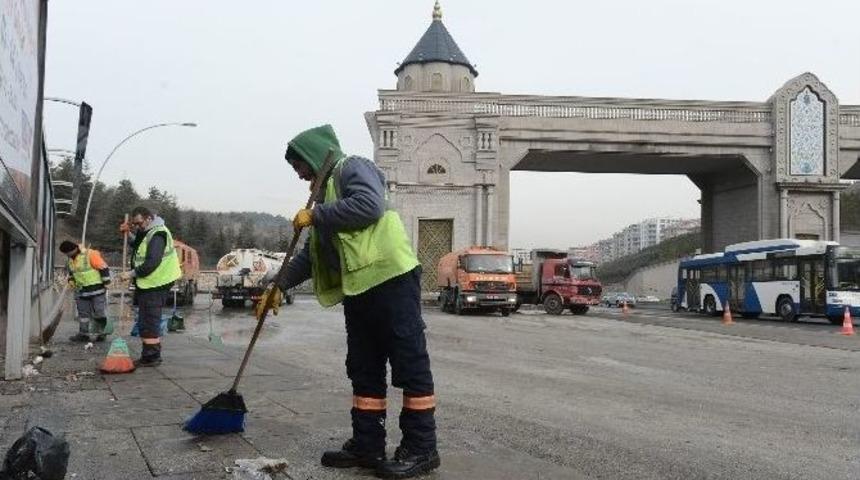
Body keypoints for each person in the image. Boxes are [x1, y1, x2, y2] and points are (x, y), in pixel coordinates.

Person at [258, 124, 439, 479]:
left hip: (392, 278)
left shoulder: (351, 168)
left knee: (409, 363)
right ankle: (367, 445)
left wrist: (317, 215)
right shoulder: (324, 199)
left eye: (300, 166)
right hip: (358, 288)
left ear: (314, 157)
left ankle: (422, 448)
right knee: (363, 367)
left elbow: (369, 206)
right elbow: (310, 257)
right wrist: (278, 286)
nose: (299, 175)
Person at [119, 207, 182, 367]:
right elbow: (138, 245)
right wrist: (128, 234)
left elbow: (151, 263)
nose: (138, 226)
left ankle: (152, 356)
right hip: (149, 283)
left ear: (149, 218)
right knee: (145, 320)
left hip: (156, 283)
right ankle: (149, 355)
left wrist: (130, 274)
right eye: (135, 224)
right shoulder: (148, 231)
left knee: (150, 320)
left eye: (139, 223)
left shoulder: (158, 234)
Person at [60, 240, 111, 342]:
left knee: (99, 312)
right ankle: (83, 334)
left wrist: (106, 282)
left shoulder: (90, 254)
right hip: (81, 291)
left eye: (67, 253)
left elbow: (104, 268)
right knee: (83, 315)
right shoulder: (71, 260)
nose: (67, 255)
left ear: (72, 250)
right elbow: (72, 273)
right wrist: (71, 281)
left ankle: (102, 333)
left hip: (97, 290)